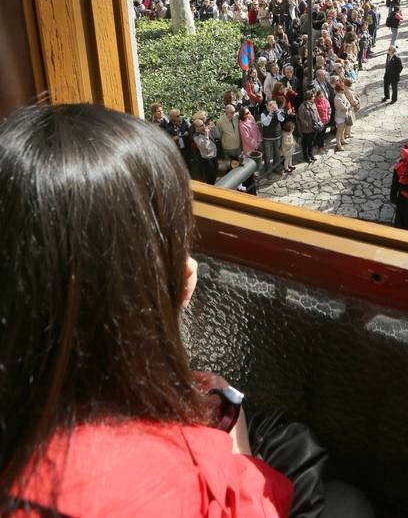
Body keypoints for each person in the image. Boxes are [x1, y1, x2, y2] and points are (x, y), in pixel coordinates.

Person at [0, 103, 292, 516]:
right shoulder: (167, 477)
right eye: (170, 246)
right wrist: (233, 448)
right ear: (127, 290)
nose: (189, 265)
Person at [191, 114, 219, 184]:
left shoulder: (205, 130)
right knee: (210, 177)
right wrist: (206, 135)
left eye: (203, 124)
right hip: (208, 160)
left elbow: (216, 136)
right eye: (201, 125)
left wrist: (212, 128)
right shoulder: (196, 136)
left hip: (214, 156)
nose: (204, 126)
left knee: (215, 174)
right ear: (196, 127)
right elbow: (205, 147)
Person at [296, 89, 321, 163]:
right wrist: (306, 123)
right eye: (313, 96)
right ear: (308, 97)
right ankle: (306, 156)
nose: (314, 98)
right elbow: (301, 118)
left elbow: (317, 113)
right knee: (306, 143)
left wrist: (319, 120)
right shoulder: (302, 106)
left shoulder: (313, 104)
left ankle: (311, 154)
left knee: (311, 142)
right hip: (306, 129)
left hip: (314, 127)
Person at [260, 100, 285, 173]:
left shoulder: (278, 111)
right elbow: (266, 123)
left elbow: (282, 119)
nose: (272, 106)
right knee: (267, 156)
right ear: (266, 106)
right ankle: (268, 171)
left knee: (277, 155)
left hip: (277, 136)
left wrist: (277, 111)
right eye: (270, 105)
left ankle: (276, 168)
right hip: (267, 138)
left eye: (274, 104)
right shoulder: (263, 113)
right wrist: (270, 113)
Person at [332, 81, 352, 152]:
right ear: (339, 90)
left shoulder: (342, 95)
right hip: (339, 117)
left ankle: (342, 140)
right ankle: (338, 144)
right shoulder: (337, 98)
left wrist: (347, 105)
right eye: (342, 89)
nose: (343, 90)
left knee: (343, 130)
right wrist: (347, 106)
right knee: (339, 132)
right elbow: (345, 108)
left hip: (344, 115)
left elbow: (348, 103)